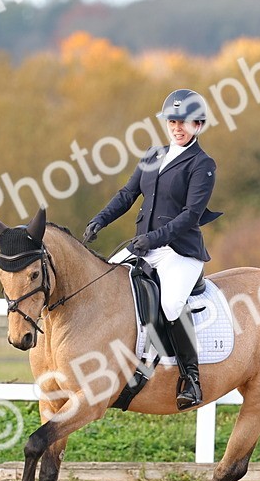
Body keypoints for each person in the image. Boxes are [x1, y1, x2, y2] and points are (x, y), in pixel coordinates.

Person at [83, 88, 223, 410]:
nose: (177, 127)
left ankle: (191, 379)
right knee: (105, 284)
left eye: (184, 122)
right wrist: (99, 220)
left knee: (172, 304)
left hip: (179, 251)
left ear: (198, 125)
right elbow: (127, 194)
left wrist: (154, 238)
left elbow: (191, 215)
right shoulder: (152, 156)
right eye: (172, 121)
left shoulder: (203, 164)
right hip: (144, 246)